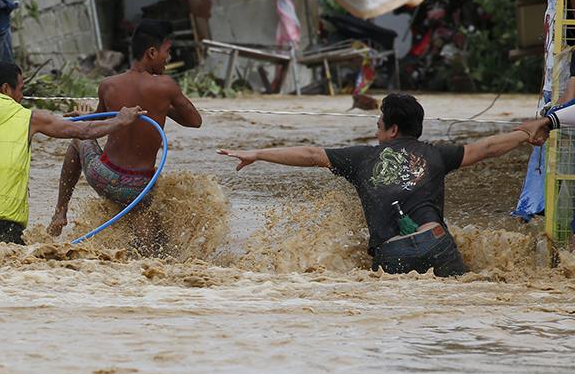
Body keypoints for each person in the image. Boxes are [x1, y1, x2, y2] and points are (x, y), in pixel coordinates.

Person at [218, 93, 548, 277]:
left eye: (378, 125)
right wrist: (527, 133)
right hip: (436, 241)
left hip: (394, 252)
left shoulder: (361, 158)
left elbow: (310, 154)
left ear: (391, 130)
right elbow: (486, 148)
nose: (375, 130)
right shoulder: (437, 155)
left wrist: (258, 153)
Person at [0, 62, 146, 254]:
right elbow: (83, 131)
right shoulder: (29, 118)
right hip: (3, 226)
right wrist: (120, 120)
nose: (22, 96)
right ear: (6, 89)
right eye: (21, 89)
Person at [47, 19, 202, 236]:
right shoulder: (166, 86)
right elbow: (195, 121)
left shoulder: (108, 84)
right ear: (151, 53)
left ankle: (60, 212)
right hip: (138, 189)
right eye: (166, 52)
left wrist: (85, 116)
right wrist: (162, 105)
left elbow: (100, 123)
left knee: (78, 140)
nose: (168, 58)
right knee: (146, 236)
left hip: (103, 177)